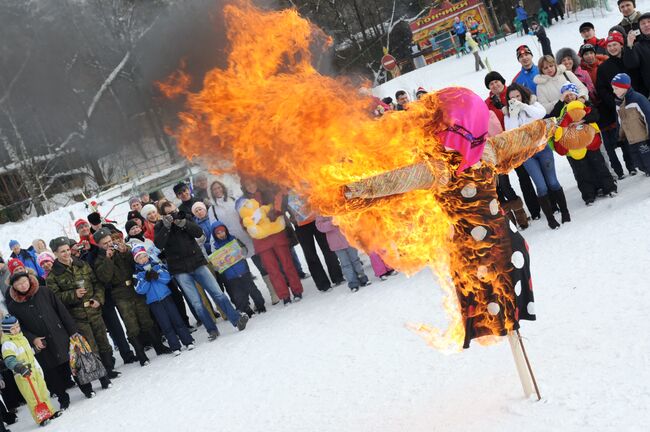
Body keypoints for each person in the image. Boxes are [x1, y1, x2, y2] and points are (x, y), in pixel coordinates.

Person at [6, 271, 108, 411]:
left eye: (24, 282)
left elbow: (61, 311)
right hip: (42, 343)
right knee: (52, 372)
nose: (22, 286)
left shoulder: (44, 291)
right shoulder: (13, 306)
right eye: (18, 284)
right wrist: (33, 339)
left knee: (73, 363)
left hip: (60, 334)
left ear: (29, 280)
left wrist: (72, 331)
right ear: (13, 287)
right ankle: (62, 398)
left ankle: (87, 389)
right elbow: (20, 327)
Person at [154, 201, 249, 340]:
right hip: (180, 270)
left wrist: (184, 223)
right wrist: (167, 227)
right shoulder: (159, 226)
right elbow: (159, 244)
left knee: (218, 293)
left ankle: (237, 320)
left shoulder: (185, 218)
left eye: (174, 211)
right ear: (163, 216)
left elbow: (199, 233)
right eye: (169, 214)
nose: (173, 215)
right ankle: (211, 330)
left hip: (197, 263)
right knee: (197, 303)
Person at [45, 236, 120, 386]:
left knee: (103, 342)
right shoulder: (53, 276)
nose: (66, 254)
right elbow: (56, 298)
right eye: (62, 252)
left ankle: (109, 368)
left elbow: (96, 283)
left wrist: (98, 299)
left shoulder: (82, 265)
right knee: (90, 347)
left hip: (94, 310)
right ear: (55, 253)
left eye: (67, 250)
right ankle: (102, 377)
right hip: (77, 316)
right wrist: (73, 295)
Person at [504, 83, 569, 228]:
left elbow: (540, 114)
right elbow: (511, 132)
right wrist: (514, 113)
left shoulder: (533, 104)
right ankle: (551, 219)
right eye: (512, 98)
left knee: (552, 182)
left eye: (517, 96)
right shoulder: (508, 114)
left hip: (543, 148)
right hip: (527, 154)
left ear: (522, 95)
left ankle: (565, 212)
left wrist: (524, 106)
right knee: (541, 186)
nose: (515, 99)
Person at [484, 71, 541, 221]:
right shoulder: (487, 103)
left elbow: (526, 104)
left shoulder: (513, 93)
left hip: (517, 143)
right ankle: (518, 213)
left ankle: (535, 209)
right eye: (491, 83)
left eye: (497, 81)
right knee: (504, 182)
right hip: (500, 147)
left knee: (524, 176)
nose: (495, 85)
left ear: (502, 81)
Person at [237, 178, 305, 305]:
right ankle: (284, 296)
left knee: (287, 264)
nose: (251, 186)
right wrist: (252, 226)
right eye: (248, 185)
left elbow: (279, 208)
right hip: (261, 241)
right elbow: (244, 222)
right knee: (273, 270)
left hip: (277, 234)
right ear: (244, 187)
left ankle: (297, 290)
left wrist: (271, 213)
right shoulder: (243, 203)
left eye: (252, 182)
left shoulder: (268, 193)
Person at [548, 83, 617, 204]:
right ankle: (589, 195)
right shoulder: (561, 109)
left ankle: (609, 187)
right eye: (566, 95)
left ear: (576, 94)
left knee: (599, 165)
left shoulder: (584, 104)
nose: (569, 98)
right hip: (573, 146)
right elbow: (553, 118)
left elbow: (595, 115)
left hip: (590, 142)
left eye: (571, 94)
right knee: (582, 171)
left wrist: (582, 120)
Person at [132, 245, 194, 356]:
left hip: (166, 297)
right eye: (139, 258)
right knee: (165, 324)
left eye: (144, 256)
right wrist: (146, 279)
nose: (143, 259)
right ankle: (175, 346)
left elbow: (167, 278)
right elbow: (140, 290)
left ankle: (188, 341)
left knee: (177, 319)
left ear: (147, 255)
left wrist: (157, 276)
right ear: (136, 260)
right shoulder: (137, 274)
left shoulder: (156, 265)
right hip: (154, 302)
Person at [1, 315, 60, 426]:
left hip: (34, 370)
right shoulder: (7, 344)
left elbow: (28, 352)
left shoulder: (22, 338)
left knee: (43, 392)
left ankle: (50, 412)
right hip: (23, 375)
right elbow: (9, 361)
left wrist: (37, 349)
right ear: (6, 330)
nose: (16, 330)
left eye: (17, 326)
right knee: (33, 397)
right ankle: (41, 418)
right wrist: (20, 368)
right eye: (12, 328)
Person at [595, 32, 637, 178]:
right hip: (619, 106)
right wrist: (614, 102)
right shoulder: (604, 67)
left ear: (621, 44)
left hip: (637, 100)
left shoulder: (629, 59)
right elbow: (601, 89)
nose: (612, 48)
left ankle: (638, 162)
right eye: (609, 45)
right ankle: (633, 164)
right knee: (628, 136)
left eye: (615, 44)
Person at [286, 193, 344, 292]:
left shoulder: (307, 180)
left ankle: (337, 276)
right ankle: (323, 284)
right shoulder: (283, 188)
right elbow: (279, 208)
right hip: (301, 225)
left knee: (328, 248)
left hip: (318, 219)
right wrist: (290, 216)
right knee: (310, 255)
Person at [210, 223, 266, 316]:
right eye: (218, 233)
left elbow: (243, 248)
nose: (221, 234)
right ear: (215, 235)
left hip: (243, 270)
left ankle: (260, 305)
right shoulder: (215, 246)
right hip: (230, 275)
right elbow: (215, 262)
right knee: (238, 294)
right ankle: (247, 310)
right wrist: (218, 265)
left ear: (226, 231)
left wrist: (242, 254)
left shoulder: (233, 239)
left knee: (251, 288)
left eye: (222, 231)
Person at [315, 216, 370, 292]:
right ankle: (353, 283)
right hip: (337, 244)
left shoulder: (340, 205)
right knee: (345, 264)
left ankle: (362, 278)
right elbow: (320, 226)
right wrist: (332, 223)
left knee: (355, 260)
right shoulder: (321, 211)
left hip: (349, 239)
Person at [613, 73, 650, 175]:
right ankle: (645, 170)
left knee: (646, 157)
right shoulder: (618, 103)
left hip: (643, 137)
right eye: (613, 88)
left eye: (616, 88)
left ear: (624, 87)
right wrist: (619, 137)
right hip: (631, 138)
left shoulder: (637, 99)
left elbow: (648, 116)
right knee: (636, 159)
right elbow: (619, 122)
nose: (614, 91)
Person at [623, 12, 650, 97]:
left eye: (649, 22)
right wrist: (629, 45)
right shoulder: (638, 46)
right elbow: (631, 64)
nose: (646, 25)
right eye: (643, 23)